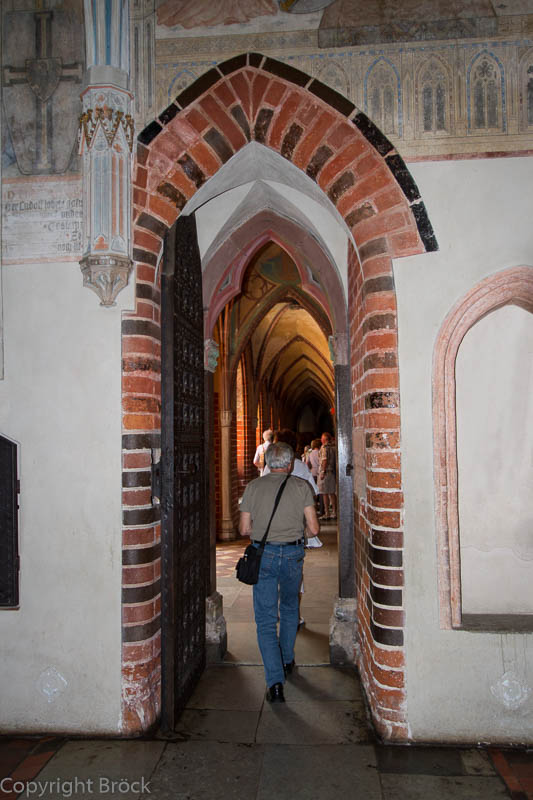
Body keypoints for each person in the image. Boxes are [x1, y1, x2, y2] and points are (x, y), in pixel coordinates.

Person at [239, 442, 319, 703]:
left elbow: (243, 530)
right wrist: (295, 533)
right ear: (289, 463)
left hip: (265, 555)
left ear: (267, 462)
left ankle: (275, 683)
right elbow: (315, 529)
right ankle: (286, 660)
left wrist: (264, 532)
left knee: (264, 619)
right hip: (293, 554)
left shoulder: (253, 487)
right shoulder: (301, 487)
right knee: (289, 608)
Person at [318, 431, 337, 520]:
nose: (321, 439)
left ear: (325, 439)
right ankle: (334, 512)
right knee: (332, 493)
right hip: (332, 472)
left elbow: (324, 460)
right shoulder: (333, 447)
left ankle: (327, 513)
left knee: (324, 493)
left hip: (325, 473)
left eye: (322, 438)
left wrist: (322, 472)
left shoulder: (324, 448)